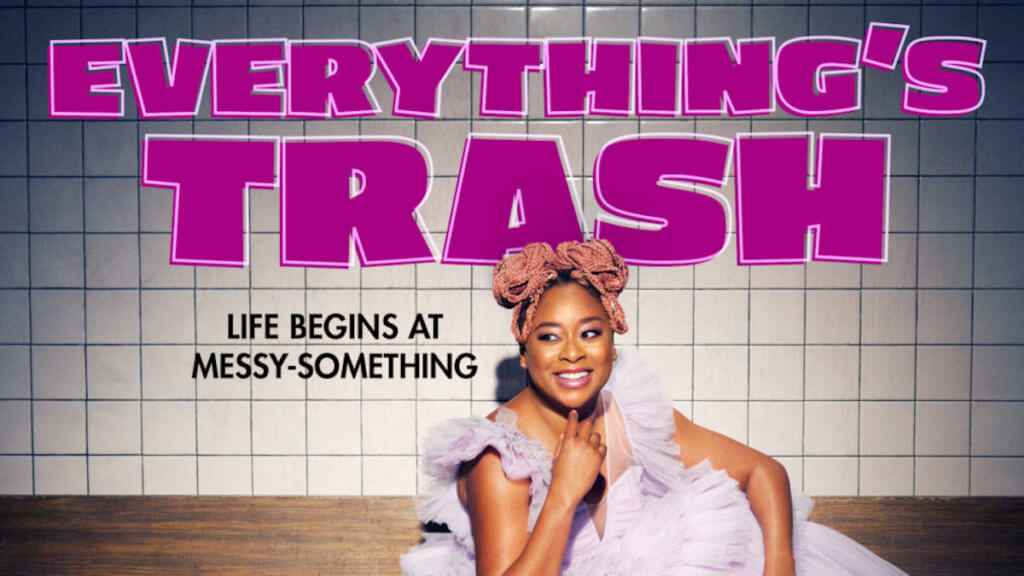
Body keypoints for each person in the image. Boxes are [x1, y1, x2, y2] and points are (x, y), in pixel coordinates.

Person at [400, 239, 907, 576]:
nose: (573, 352)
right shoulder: (498, 458)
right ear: (526, 352)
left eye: (590, 333)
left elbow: (761, 470)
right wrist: (564, 493)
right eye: (550, 337)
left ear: (612, 345)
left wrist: (779, 563)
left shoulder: (627, 410)